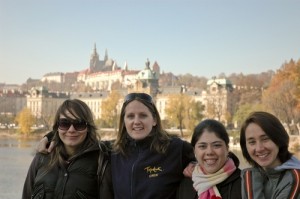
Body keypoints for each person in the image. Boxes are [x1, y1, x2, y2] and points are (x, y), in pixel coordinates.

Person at [36, 92, 195, 199]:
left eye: (143, 115)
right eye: (130, 116)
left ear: (154, 120)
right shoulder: (113, 150)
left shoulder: (175, 148)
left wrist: (194, 163)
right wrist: (51, 136)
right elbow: (81, 138)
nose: (136, 121)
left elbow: (209, 154)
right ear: (124, 121)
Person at [22, 99, 113, 199]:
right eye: (64, 123)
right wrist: (49, 136)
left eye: (79, 124)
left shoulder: (101, 161)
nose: (71, 130)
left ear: (88, 127)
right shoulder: (42, 157)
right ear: (57, 126)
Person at [240, 111, 300, 199]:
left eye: (265, 139)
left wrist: (251, 181)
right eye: (252, 142)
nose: (259, 148)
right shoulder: (252, 174)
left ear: (279, 138)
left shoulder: (295, 179)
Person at [177, 119, 242, 199]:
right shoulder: (186, 184)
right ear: (194, 151)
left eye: (216, 145)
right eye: (202, 146)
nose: (209, 152)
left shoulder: (244, 183)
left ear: (227, 148)